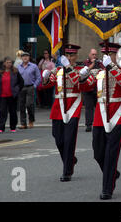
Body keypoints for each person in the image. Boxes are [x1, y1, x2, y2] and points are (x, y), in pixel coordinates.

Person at [87, 42, 121, 200]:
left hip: (116, 117)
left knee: (111, 155)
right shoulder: (98, 72)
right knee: (97, 152)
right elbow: (85, 85)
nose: (106, 57)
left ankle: (107, 188)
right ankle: (114, 172)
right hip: (100, 116)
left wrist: (111, 67)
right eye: (105, 54)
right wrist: (82, 74)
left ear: (115, 55)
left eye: (110, 55)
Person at [42, 44, 93, 182]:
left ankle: (67, 171)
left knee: (69, 140)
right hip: (58, 107)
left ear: (76, 56)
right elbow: (47, 85)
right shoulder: (58, 70)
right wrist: (46, 77)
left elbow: (83, 84)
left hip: (73, 106)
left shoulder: (79, 70)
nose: (70, 58)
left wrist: (69, 69)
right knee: (58, 139)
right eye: (68, 55)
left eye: (72, 55)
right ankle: (70, 159)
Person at [0, 57, 24, 133]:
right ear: (4, 63)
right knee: (2, 112)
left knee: (13, 112)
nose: (9, 64)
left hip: (12, 95)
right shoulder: (0, 72)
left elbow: (21, 82)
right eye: (7, 62)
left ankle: (13, 127)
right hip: (2, 95)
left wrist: (17, 90)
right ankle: (1, 128)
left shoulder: (15, 71)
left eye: (10, 62)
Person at [17, 51, 41, 129]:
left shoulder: (34, 66)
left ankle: (31, 120)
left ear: (29, 57)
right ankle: (23, 123)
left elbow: (39, 77)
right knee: (21, 106)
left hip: (30, 87)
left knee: (29, 104)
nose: (25, 58)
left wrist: (34, 85)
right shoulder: (18, 67)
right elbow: (15, 77)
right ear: (21, 58)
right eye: (23, 56)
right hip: (21, 88)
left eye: (27, 56)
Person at [83, 48, 103, 132]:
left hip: (97, 89)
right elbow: (84, 72)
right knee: (88, 107)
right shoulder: (85, 63)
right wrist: (93, 64)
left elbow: (103, 71)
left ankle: (100, 123)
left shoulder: (100, 63)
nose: (94, 56)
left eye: (95, 54)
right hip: (88, 89)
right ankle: (88, 125)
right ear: (89, 54)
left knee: (99, 107)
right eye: (92, 54)